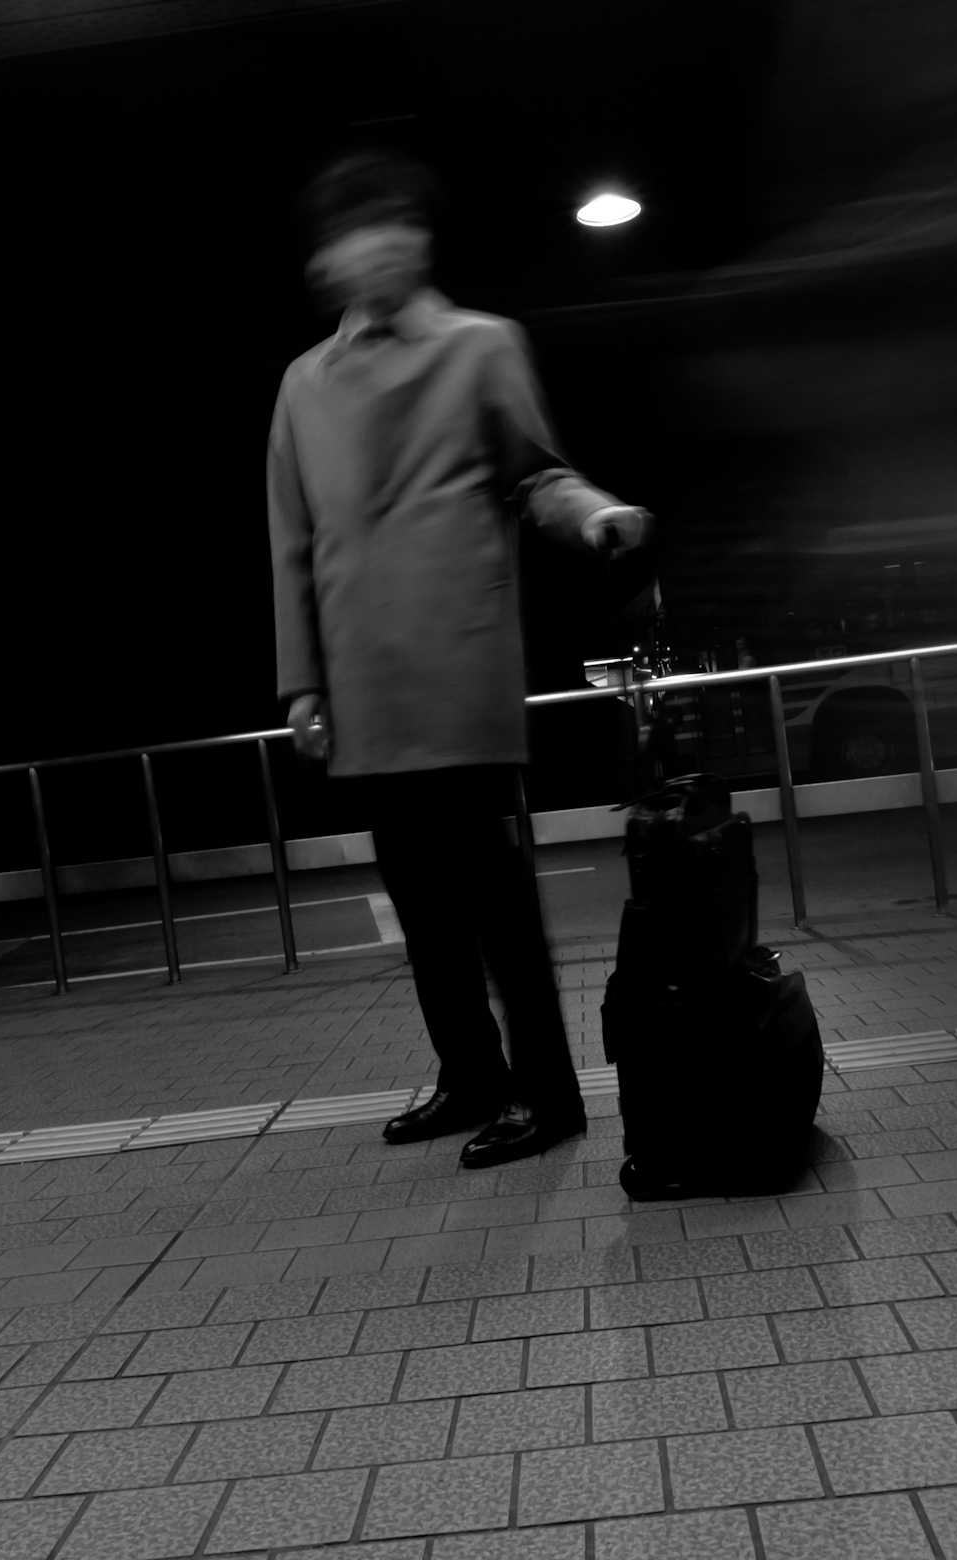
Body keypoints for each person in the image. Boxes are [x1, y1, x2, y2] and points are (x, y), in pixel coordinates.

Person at [268, 153, 651, 1170]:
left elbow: (536, 475)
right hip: (362, 676)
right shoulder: (304, 384)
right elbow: (292, 542)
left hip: (459, 662)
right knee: (420, 901)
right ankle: (470, 1077)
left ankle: (551, 1095)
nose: (382, 244)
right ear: (327, 260)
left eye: (398, 225)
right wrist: (301, 680)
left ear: (422, 241)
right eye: (359, 231)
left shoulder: (484, 347)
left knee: (493, 895)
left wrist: (595, 515)